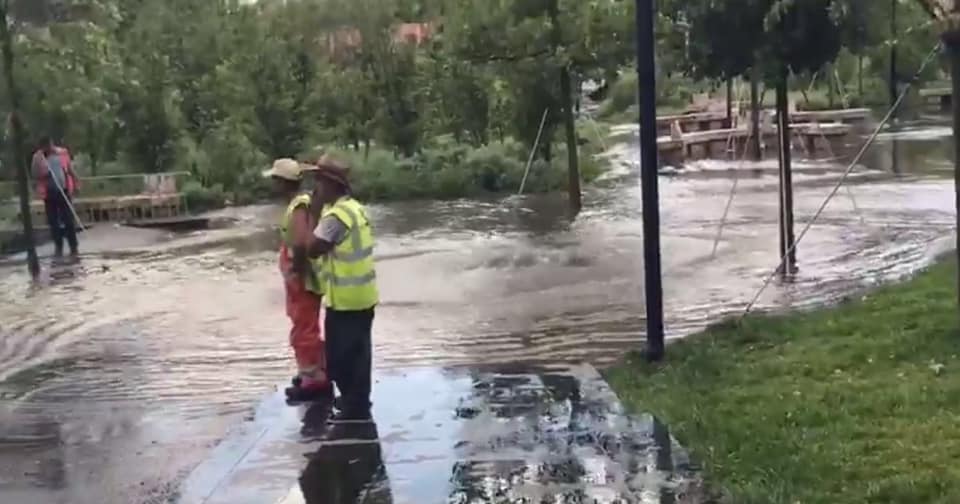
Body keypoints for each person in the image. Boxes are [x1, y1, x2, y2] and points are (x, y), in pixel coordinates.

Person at [297, 156, 378, 422]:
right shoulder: (355, 208)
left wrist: (314, 211)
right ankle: (358, 401)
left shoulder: (336, 217)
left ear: (331, 184)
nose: (316, 188)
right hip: (363, 296)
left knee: (339, 359)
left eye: (319, 182)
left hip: (346, 301)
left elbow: (312, 248)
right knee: (360, 356)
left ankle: (354, 407)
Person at [263, 158, 332, 403]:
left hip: (302, 280)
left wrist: (298, 273)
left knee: (304, 329)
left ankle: (314, 380)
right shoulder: (300, 203)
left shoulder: (299, 206)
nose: (273, 185)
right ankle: (312, 372)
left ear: (283, 182)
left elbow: (301, 243)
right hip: (302, 279)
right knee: (305, 325)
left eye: (275, 180)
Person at [32, 136, 79, 257]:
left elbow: (69, 169)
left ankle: (73, 246)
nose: (50, 148)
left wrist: (76, 182)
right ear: (42, 147)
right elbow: (35, 174)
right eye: (46, 147)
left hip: (63, 191)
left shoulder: (62, 153)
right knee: (53, 222)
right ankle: (59, 247)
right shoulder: (38, 158)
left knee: (68, 220)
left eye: (50, 145)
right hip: (49, 193)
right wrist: (43, 171)